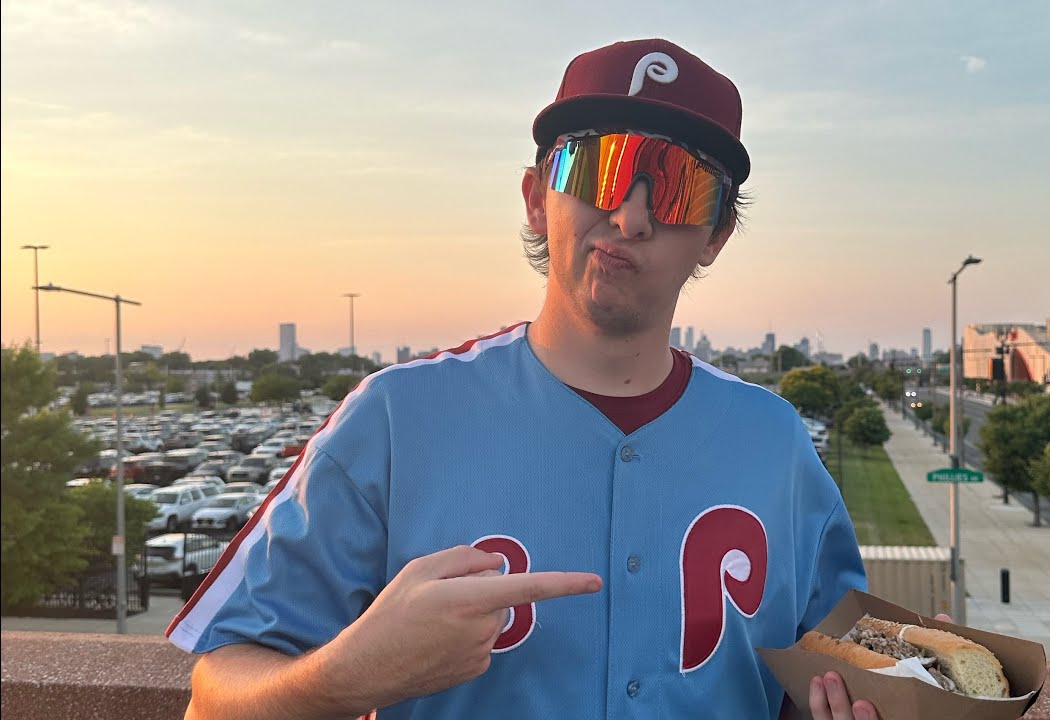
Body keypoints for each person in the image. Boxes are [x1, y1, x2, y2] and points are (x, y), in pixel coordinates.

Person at [170, 38, 879, 719]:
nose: (629, 216)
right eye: (598, 169)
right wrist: (349, 673)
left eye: (676, 187)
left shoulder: (775, 443)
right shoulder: (396, 419)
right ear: (538, 198)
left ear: (716, 236)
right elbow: (216, 695)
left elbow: (831, 678)